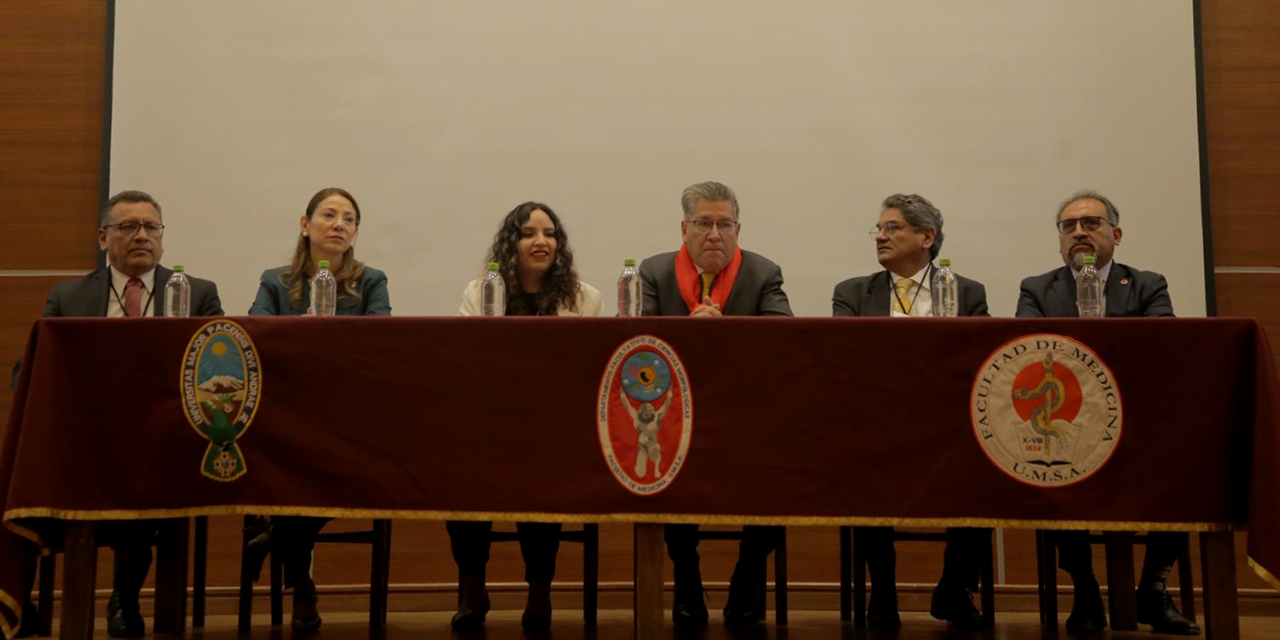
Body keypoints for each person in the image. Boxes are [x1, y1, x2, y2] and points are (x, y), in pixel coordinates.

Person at [8, 190, 223, 638]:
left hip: (164, 442)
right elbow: (26, 371)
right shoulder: (69, 296)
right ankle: (15, 598)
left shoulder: (197, 292)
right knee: (17, 474)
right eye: (128, 227)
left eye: (151, 227)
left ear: (162, 239)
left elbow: (215, 369)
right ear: (103, 239)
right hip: (83, 443)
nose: (141, 236)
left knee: (141, 475)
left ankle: (125, 597)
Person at [1016, 189, 1192, 635]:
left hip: (1137, 420)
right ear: (1059, 240)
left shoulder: (1148, 284)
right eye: (1068, 226)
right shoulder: (1038, 289)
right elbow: (1026, 357)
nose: (1078, 233)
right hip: (1067, 421)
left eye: (1090, 223)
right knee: (1047, 461)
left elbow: (1163, 349)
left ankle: (1152, 588)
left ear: (1115, 234)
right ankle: (1086, 588)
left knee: (1181, 465)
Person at [831, 193, 991, 630]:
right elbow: (846, 363)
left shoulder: (966, 292)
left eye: (893, 228)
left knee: (984, 467)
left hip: (948, 427)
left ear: (926, 236)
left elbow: (978, 364)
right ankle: (882, 592)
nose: (881, 236)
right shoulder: (851, 294)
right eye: (878, 229)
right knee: (864, 466)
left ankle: (954, 588)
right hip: (878, 424)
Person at [638, 181, 791, 629]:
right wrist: (690, 332)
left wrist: (726, 333)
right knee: (663, 465)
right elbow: (636, 342)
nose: (714, 234)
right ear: (684, 228)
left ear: (737, 229)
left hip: (746, 416)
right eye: (704, 223)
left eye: (724, 224)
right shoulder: (654, 272)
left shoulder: (763, 273)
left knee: (779, 472)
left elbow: (784, 343)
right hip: (672, 415)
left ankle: (746, 578)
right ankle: (687, 581)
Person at [244, 187, 391, 632]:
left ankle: (280, 541)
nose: (339, 224)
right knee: (293, 468)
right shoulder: (276, 280)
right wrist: (298, 333)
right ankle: (301, 581)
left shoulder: (371, 281)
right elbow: (255, 333)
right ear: (305, 225)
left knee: (337, 474)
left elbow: (384, 341)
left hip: (347, 416)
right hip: (286, 412)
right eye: (329, 215)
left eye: (349, 219)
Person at [450, 201, 602, 632]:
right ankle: (472, 583)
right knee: (460, 470)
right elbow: (465, 363)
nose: (541, 241)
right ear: (510, 243)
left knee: (542, 471)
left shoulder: (584, 298)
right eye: (529, 233)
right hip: (490, 425)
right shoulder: (480, 292)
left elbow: (588, 372)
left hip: (553, 430)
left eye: (550, 233)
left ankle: (540, 590)